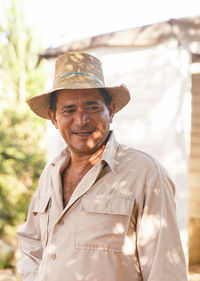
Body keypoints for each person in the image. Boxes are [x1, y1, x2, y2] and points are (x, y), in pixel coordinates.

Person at [17, 52, 188, 281]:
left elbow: (165, 271)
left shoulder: (145, 173)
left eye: (92, 107)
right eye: (68, 110)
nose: (81, 120)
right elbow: (31, 242)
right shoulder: (50, 174)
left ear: (112, 111)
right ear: (53, 118)